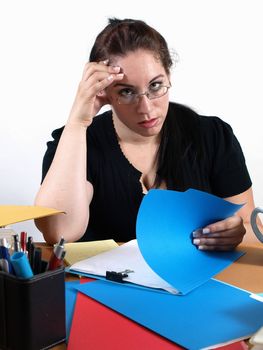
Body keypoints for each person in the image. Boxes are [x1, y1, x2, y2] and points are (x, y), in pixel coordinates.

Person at [34, 17, 259, 249]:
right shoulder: (75, 144)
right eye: (127, 92)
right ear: (105, 93)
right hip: (105, 284)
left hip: (197, 283)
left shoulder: (212, 135)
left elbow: (253, 227)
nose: (147, 108)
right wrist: (78, 122)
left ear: (168, 76)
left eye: (155, 86)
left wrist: (238, 232)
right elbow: (61, 232)